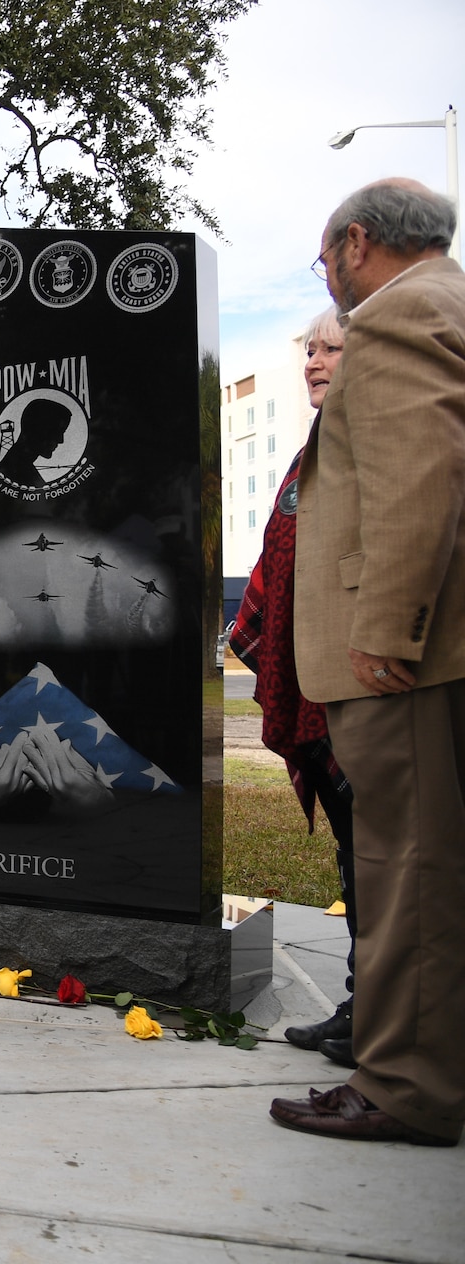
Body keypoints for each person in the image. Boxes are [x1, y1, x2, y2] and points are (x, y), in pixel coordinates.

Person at [273, 179, 465, 1148]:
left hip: (405, 665)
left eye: (322, 261)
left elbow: (416, 475)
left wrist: (384, 629)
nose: (329, 284)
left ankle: (402, 1087)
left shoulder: (397, 317)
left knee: (408, 872)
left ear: (355, 242)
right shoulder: (450, 305)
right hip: (435, 655)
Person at [229, 309, 358, 1060]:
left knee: (377, 858)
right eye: (309, 349)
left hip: (352, 688)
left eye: (331, 347)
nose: (313, 360)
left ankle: (381, 1012)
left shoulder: (365, 437)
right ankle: (362, 1001)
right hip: (315, 687)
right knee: (356, 856)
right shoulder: (318, 444)